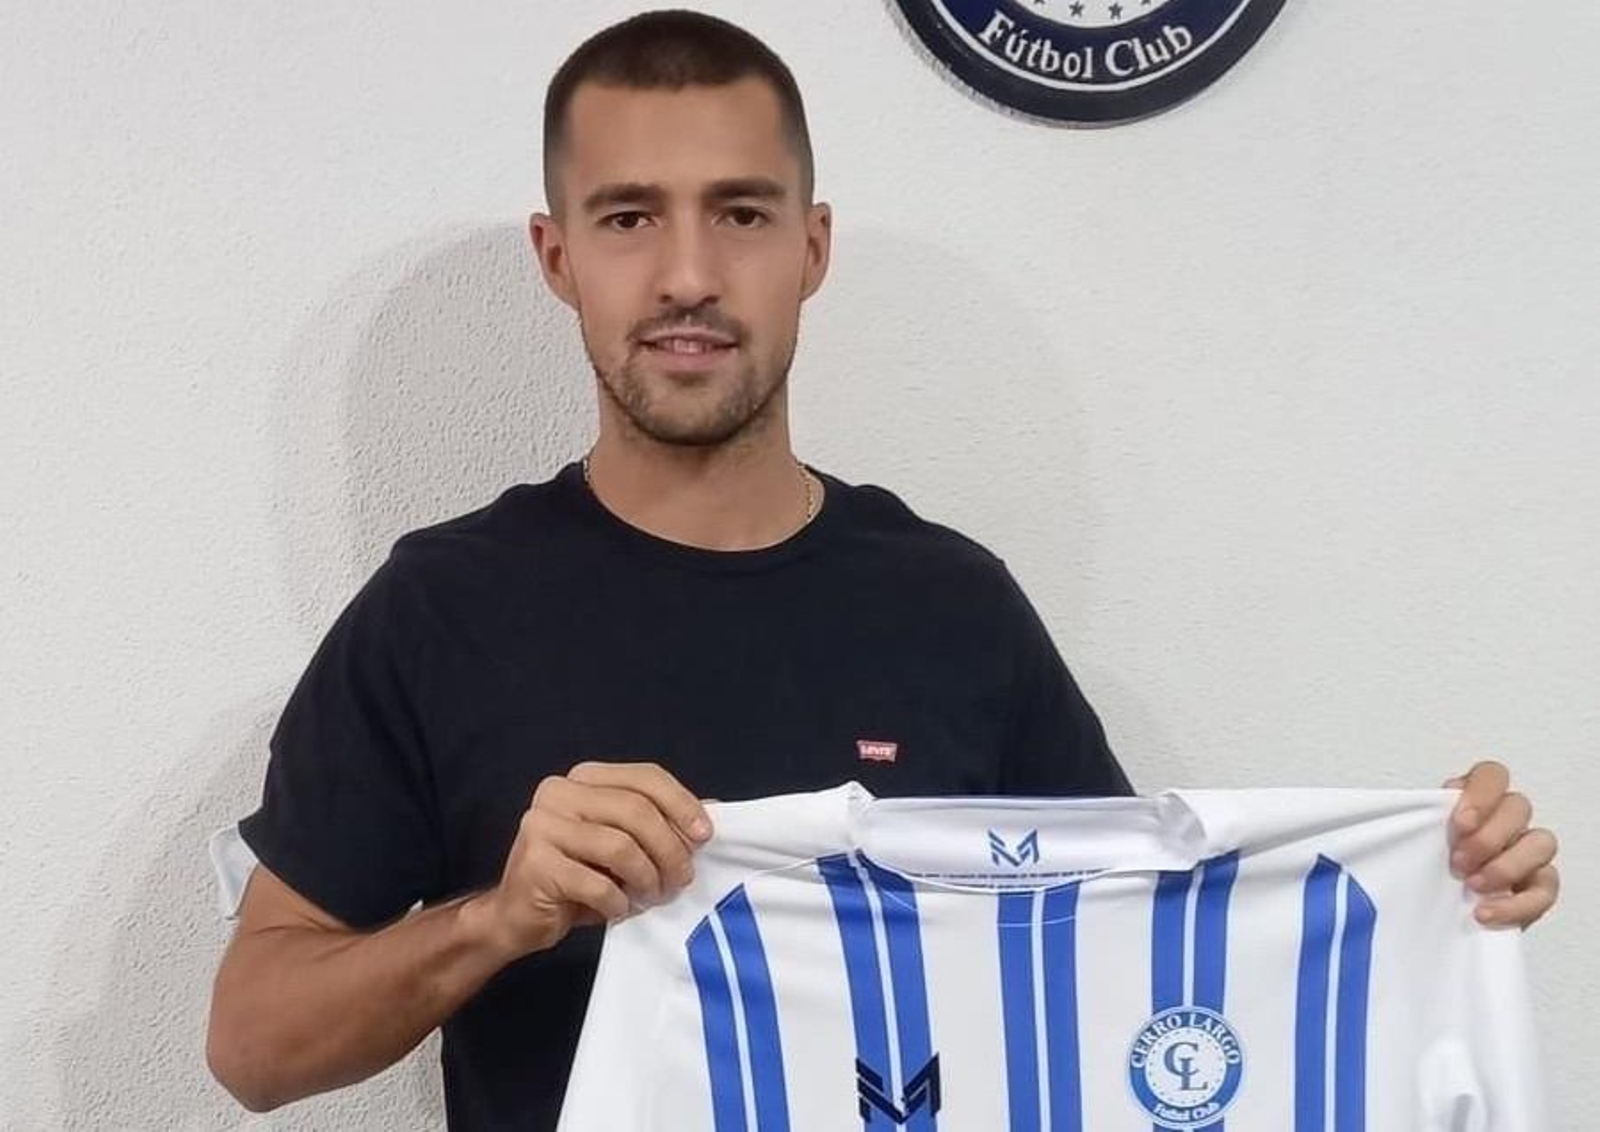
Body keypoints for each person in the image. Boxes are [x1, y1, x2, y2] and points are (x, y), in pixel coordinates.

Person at [204, 10, 1561, 1131]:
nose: (687, 273)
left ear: (813, 247)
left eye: (740, 213)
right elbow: (254, 1047)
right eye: (629, 219)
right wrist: (499, 917)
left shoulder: (953, 607)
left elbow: (1140, 970)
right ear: (559, 259)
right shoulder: (439, 612)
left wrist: (1418, 888)